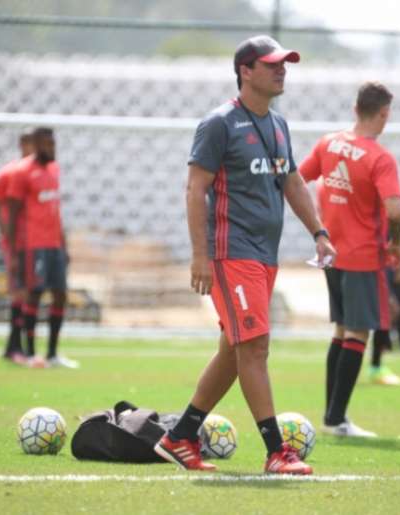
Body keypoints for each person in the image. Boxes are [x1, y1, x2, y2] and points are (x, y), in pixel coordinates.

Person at [154, 35, 335, 474]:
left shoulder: (278, 125)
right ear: (245, 71)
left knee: (236, 352)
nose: (282, 69)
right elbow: (194, 189)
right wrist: (199, 255)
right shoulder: (219, 124)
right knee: (255, 348)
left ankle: (179, 437)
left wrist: (319, 231)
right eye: (272, 63)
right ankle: (278, 452)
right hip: (230, 254)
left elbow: (291, 181)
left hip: (263, 257)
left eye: (285, 63)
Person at [299, 81, 400, 436]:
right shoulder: (380, 157)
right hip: (362, 256)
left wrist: (319, 223)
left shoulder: (329, 142)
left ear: (355, 108)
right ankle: (337, 419)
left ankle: (332, 415)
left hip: (332, 252)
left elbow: (299, 179)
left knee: (342, 331)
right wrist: (397, 245)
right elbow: (395, 210)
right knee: (358, 332)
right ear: (384, 113)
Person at [7, 127, 78, 369]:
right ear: (36, 145)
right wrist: (14, 250)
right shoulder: (22, 172)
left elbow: (56, 212)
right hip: (33, 245)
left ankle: (52, 354)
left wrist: (64, 245)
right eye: (47, 145)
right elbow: (12, 213)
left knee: (60, 294)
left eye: (53, 144)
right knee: (34, 294)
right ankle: (30, 354)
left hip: (54, 244)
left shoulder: (54, 170)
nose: (52, 149)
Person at [0, 132, 34, 365]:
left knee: (28, 293)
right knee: (19, 292)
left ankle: (15, 347)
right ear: (22, 145)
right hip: (16, 243)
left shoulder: (38, 174)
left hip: (35, 241)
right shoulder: (9, 173)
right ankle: (17, 347)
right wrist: (8, 235)